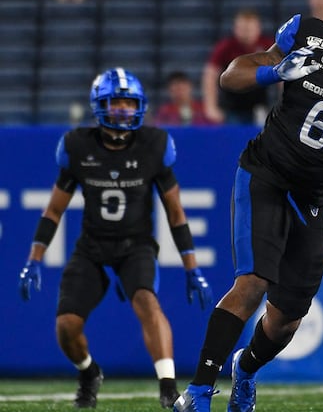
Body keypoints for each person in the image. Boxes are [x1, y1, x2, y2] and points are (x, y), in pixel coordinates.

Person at [172, 0, 323, 412]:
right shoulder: (310, 34)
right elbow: (232, 76)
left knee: (286, 320)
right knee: (252, 283)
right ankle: (197, 392)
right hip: (266, 173)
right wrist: (275, 72)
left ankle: (244, 370)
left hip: (312, 194)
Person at [17, 67, 214, 409]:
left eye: (129, 103)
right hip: (92, 246)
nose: (123, 110)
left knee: (146, 301)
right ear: (100, 106)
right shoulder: (77, 146)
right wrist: (34, 259)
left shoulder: (154, 145)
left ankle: (168, 387)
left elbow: (176, 213)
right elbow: (53, 211)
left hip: (136, 244)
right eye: (116, 102)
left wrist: (191, 267)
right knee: (66, 325)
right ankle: (89, 372)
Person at [202, 9, 275, 125]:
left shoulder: (267, 46)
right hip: (232, 108)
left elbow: (284, 72)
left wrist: (285, 103)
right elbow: (210, 75)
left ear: (258, 28)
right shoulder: (226, 47)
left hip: (260, 106)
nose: (246, 33)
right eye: (243, 29)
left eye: (250, 29)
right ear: (235, 29)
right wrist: (211, 107)